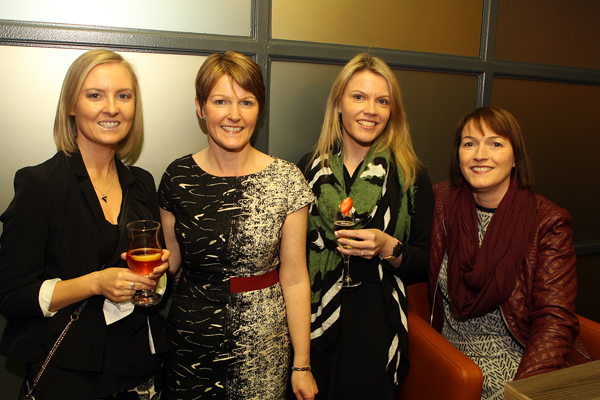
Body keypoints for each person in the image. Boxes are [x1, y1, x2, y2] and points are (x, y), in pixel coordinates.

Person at [0, 49, 170, 400]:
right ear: (71, 106)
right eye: (95, 95)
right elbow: (12, 297)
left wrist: (158, 274)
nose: (112, 107)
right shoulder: (40, 185)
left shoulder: (142, 182)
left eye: (123, 96)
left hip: (140, 374)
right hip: (68, 377)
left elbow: (151, 272)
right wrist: (94, 283)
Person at [158, 51, 318, 400]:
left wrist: (302, 364)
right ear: (200, 107)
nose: (234, 115)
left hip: (261, 349)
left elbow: (294, 277)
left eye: (246, 102)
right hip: (188, 345)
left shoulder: (286, 179)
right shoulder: (177, 177)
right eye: (221, 101)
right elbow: (169, 265)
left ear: (259, 109)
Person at [429, 106, 594, 399]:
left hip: (523, 361)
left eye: (495, 143)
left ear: (515, 156)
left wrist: (523, 391)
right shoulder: (441, 201)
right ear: (459, 155)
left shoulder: (548, 221)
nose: (480, 154)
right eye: (470, 143)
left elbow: (554, 318)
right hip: (453, 360)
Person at [298, 53, 433, 399]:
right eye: (359, 96)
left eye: (382, 101)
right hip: (312, 322)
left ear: (392, 112)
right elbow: (293, 259)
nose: (370, 109)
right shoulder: (308, 170)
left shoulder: (410, 176)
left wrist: (388, 247)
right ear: (339, 104)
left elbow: (423, 263)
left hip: (375, 323)